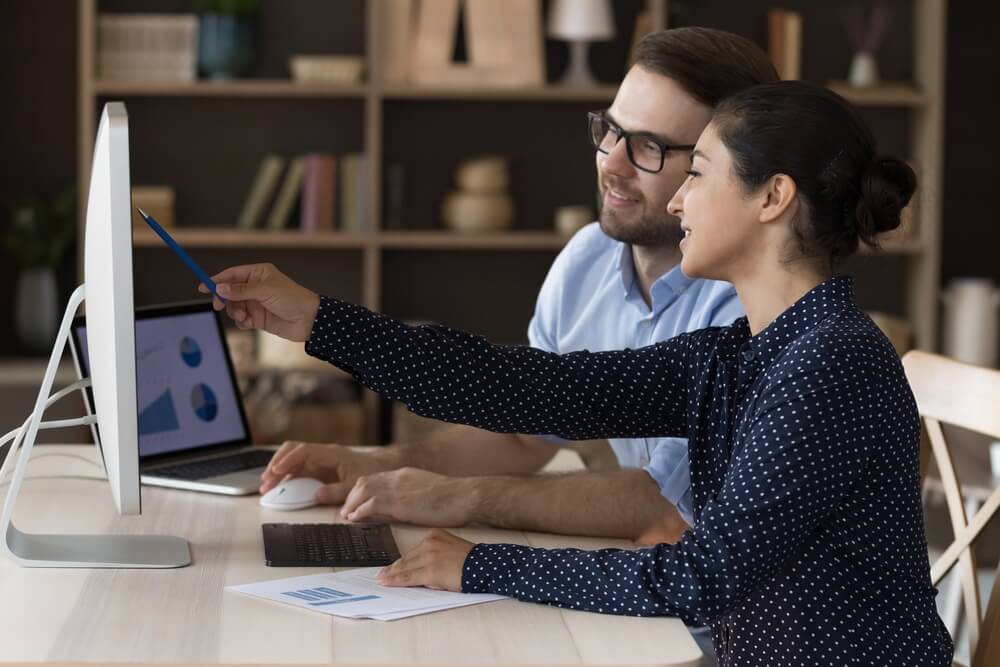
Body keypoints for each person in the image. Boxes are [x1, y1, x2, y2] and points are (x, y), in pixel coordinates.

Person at [204, 80, 953, 665]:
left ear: (773, 196)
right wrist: (315, 320)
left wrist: (482, 564)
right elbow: (527, 387)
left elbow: (696, 577)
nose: (680, 198)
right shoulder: (737, 354)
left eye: (698, 172)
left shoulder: (833, 361)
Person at [258, 28, 776, 546]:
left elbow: (661, 508)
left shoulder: (752, 312)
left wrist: (457, 499)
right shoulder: (587, 258)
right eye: (610, 131)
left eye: (649, 148)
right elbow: (527, 425)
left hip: (719, 611)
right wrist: (372, 462)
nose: (610, 165)